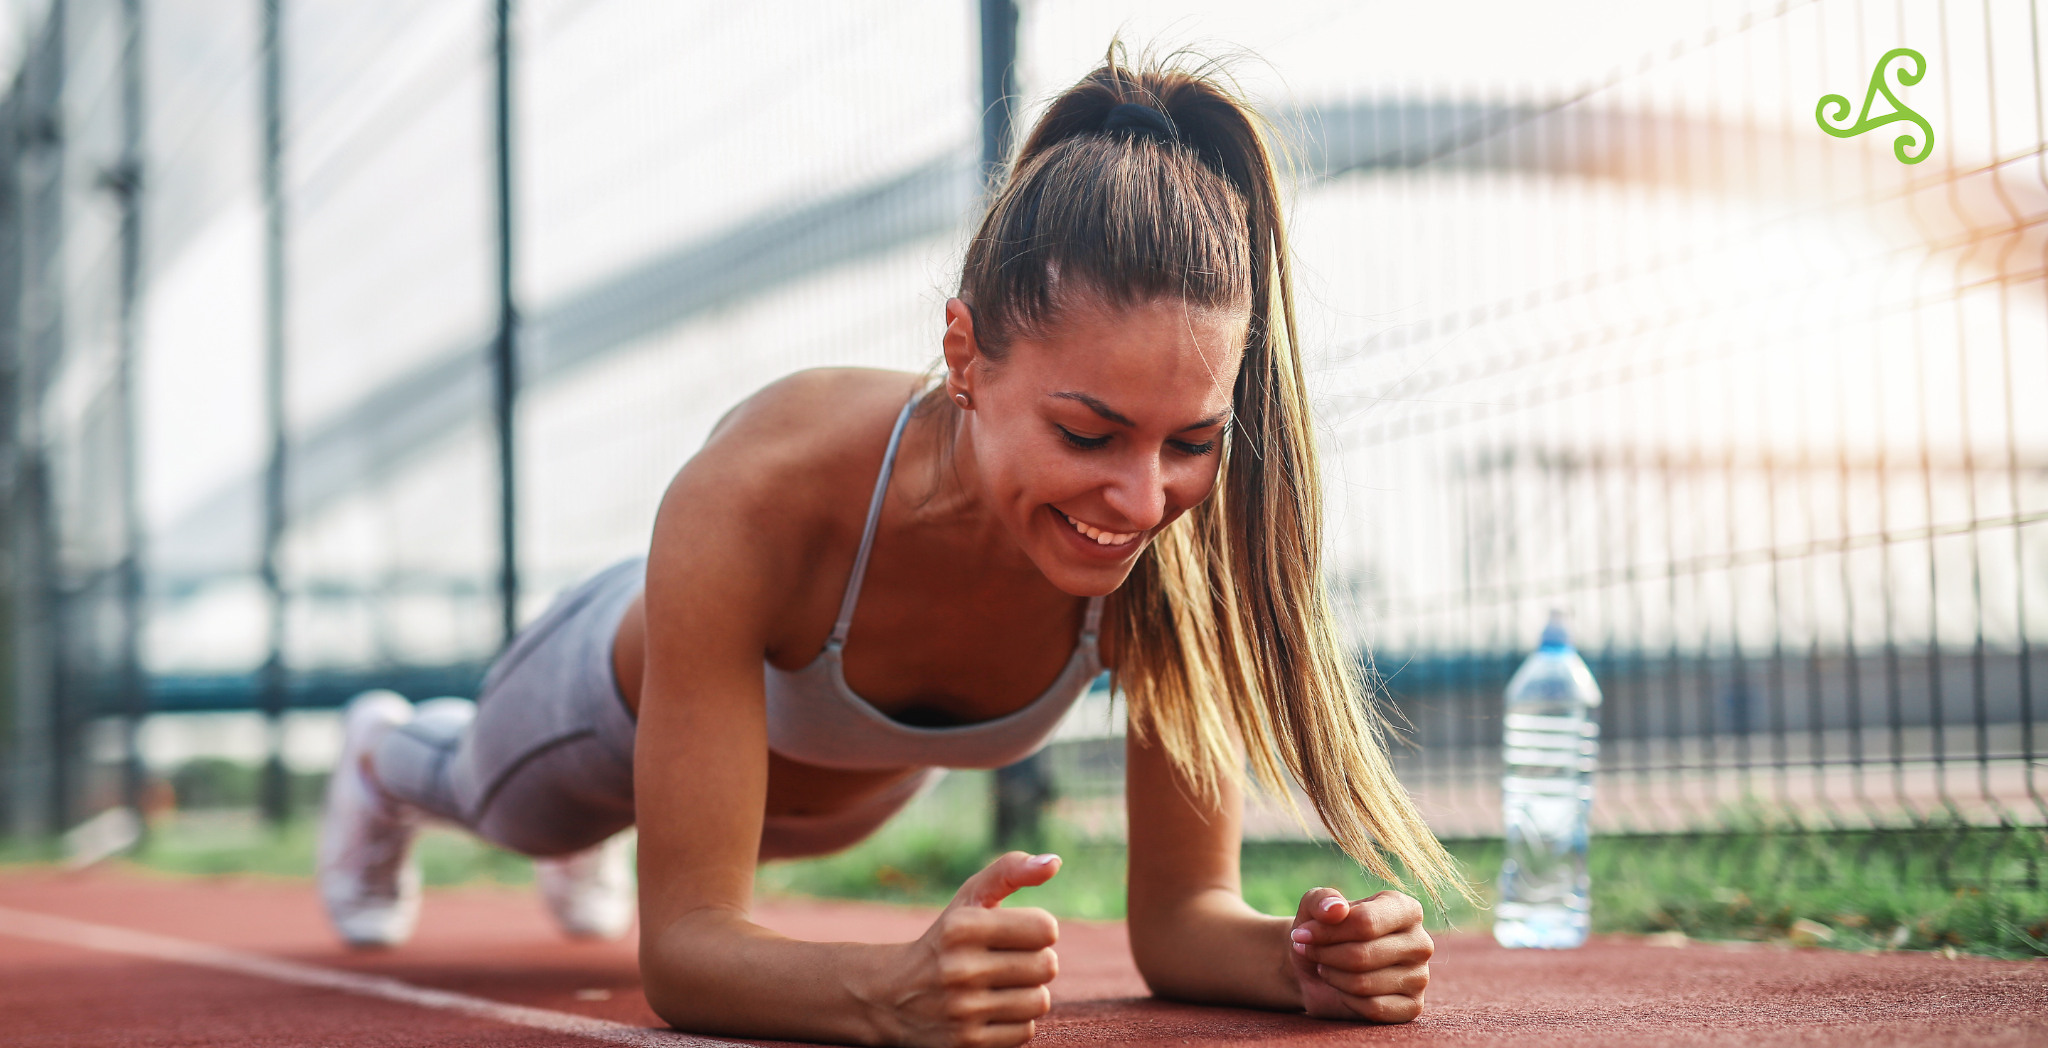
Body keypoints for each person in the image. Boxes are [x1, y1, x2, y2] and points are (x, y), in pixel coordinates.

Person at [318, 47, 1467, 1047]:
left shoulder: (1172, 546)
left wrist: (1301, 960)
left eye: (1192, 439)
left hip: (829, 792)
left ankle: (622, 832)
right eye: (1086, 431)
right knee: (496, 798)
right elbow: (683, 953)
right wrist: (887, 992)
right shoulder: (757, 495)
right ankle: (381, 758)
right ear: (965, 358)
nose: (1138, 496)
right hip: (600, 719)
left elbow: (1180, 919)